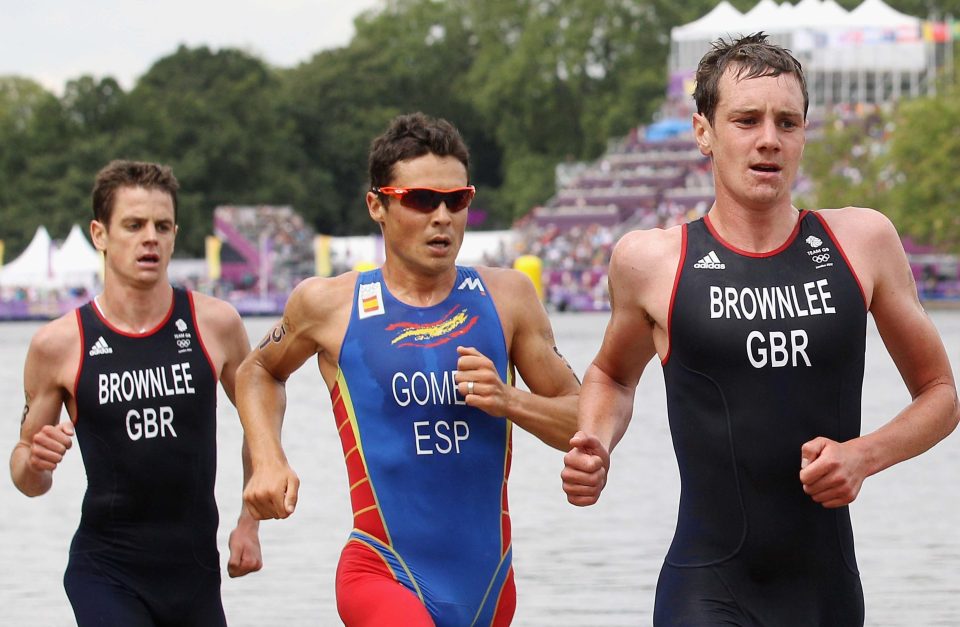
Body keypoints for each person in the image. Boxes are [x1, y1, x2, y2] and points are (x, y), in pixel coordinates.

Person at [561, 33, 959, 626]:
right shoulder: (653, 261)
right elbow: (613, 377)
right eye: (746, 120)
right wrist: (595, 440)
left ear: (803, 135)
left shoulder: (863, 242)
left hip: (825, 592)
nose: (769, 139)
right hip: (707, 585)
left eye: (787, 123)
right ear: (704, 132)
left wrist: (863, 456)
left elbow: (941, 395)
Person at [236, 112, 580, 626]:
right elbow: (257, 371)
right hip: (382, 572)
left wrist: (510, 401)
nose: (442, 217)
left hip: (488, 584)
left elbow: (581, 419)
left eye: (456, 200)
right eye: (421, 200)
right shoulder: (327, 304)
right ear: (377, 204)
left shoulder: (508, 298)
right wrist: (268, 459)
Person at [9, 160, 263, 626]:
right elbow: (26, 476)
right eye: (134, 225)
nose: (151, 237)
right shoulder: (60, 344)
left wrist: (250, 519)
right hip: (106, 571)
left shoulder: (216, 324)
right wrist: (37, 461)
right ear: (99, 234)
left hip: (195, 577)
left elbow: (260, 420)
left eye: (162, 226)